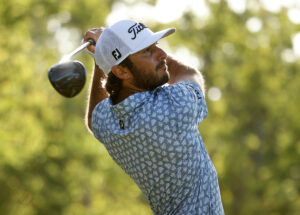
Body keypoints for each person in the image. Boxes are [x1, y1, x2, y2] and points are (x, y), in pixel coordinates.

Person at [83, 19, 224, 215]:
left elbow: (93, 119)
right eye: (147, 50)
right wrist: (103, 54)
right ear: (122, 70)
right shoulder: (174, 107)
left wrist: (102, 58)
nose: (163, 54)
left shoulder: (108, 122)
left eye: (156, 45)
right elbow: (187, 72)